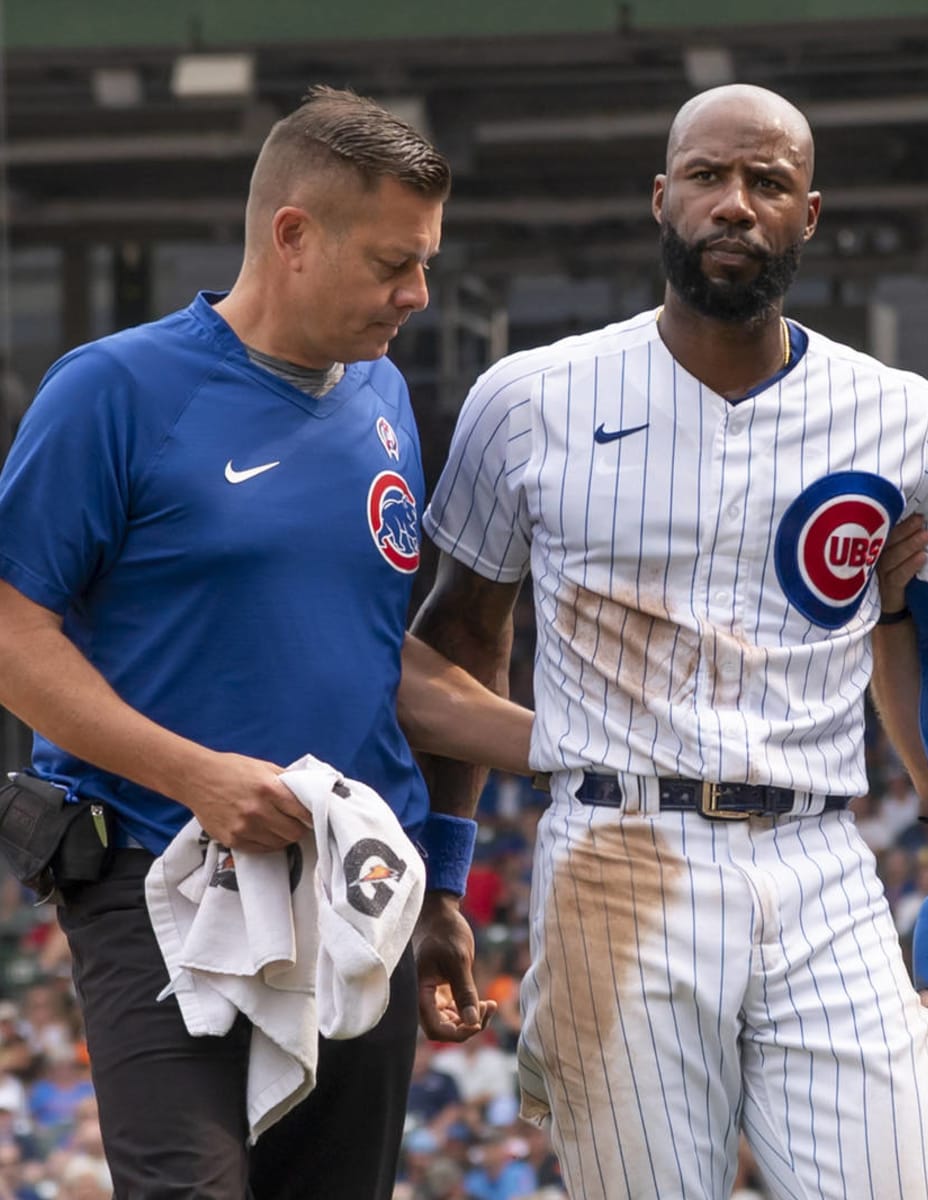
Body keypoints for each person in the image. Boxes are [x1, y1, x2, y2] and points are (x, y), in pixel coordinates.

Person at [412, 82, 928, 1197]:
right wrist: (445, 875)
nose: (732, 204)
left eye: (766, 183)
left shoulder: (906, 418)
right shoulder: (530, 399)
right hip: (614, 851)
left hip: (821, 852)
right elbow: (455, 642)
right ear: (661, 198)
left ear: (809, 215)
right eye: (706, 177)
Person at [0, 87, 533, 1200]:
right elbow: (12, 634)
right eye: (394, 263)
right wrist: (193, 777)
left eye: (426, 262)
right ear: (294, 235)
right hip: (160, 876)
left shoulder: (386, 396)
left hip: (356, 886)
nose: (418, 295)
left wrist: (450, 874)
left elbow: (381, 662)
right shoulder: (115, 390)